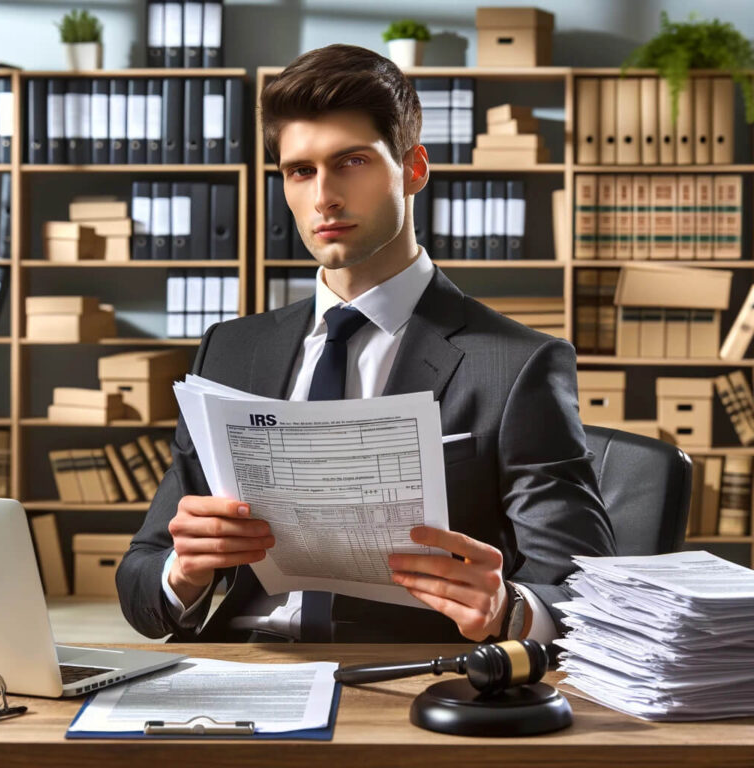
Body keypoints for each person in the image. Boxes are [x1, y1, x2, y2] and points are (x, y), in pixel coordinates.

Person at [116, 43, 616, 645]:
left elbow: (588, 594)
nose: (323, 195)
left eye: (350, 161)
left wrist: (509, 608)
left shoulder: (517, 365)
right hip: (238, 672)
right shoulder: (230, 350)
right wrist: (184, 571)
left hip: (412, 680)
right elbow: (140, 582)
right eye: (300, 171)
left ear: (413, 168)